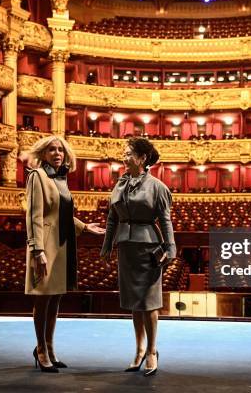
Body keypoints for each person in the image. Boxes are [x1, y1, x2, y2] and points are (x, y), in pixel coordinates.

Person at [25, 135, 105, 372]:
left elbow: (60, 213)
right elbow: (34, 216)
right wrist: (37, 249)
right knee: (43, 298)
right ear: (43, 154)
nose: (57, 153)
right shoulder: (37, 176)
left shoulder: (61, 179)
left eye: (60, 150)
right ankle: (40, 349)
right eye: (52, 150)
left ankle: (49, 347)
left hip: (63, 244)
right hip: (45, 245)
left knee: (56, 297)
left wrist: (84, 227)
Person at [100, 137, 176, 377]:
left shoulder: (157, 186)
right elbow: (112, 218)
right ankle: (139, 348)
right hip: (126, 246)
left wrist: (170, 247)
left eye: (129, 153)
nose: (124, 157)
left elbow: (165, 220)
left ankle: (152, 351)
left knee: (149, 301)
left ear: (142, 159)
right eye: (124, 153)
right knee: (134, 302)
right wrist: (107, 245)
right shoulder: (120, 184)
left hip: (149, 247)